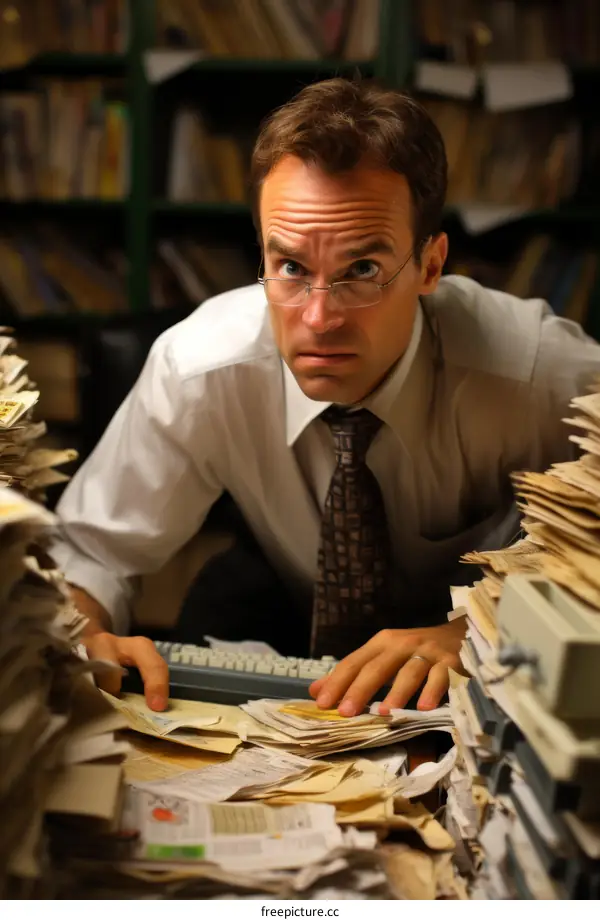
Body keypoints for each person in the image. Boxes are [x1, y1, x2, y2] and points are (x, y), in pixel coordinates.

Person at [51, 78, 600, 718]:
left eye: (361, 270)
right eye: (290, 268)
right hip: (284, 601)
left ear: (430, 265)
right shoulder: (199, 367)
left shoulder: (539, 372)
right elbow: (90, 553)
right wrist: (78, 629)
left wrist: (484, 626)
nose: (318, 318)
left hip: (471, 639)